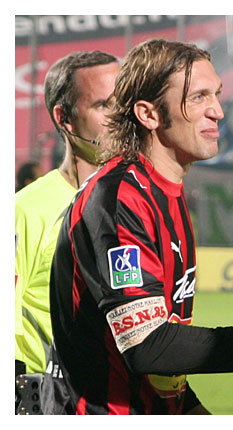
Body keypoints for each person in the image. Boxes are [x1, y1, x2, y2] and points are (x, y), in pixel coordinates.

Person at [48, 38, 233, 415]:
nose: (218, 111)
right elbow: (147, 346)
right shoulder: (120, 198)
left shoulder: (165, 191)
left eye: (217, 94)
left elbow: (162, 358)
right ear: (148, 114)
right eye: (198, 98)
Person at [15, 50, 119, 413]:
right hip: (45, 402)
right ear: (64, 118)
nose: (118, 117)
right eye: (103, 105)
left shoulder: (138, 203)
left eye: (123, 103)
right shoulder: (25, 211)